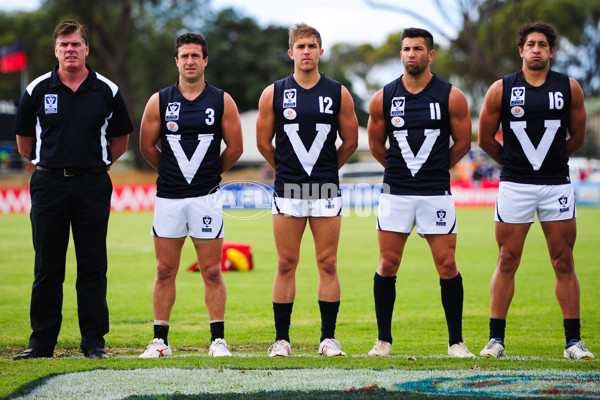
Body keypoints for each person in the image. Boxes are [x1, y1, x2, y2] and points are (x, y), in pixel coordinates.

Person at [12, 20, 133, 360]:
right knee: (47, 266)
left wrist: (96, 163)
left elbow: (120, 140)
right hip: (49, 183)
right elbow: (24, 142)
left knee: (93, 265)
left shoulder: (106, 90)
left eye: (76, 44)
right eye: (64, 45)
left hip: (93, 183)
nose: (70, 50)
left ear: (86, 49)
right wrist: (46, 164)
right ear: (56, 50)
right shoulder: (37, 89)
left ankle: (94, 343)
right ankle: (41, 344)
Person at [477, 22, 594, 360]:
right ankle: (495, 340)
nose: (537, 49)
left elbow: (578, 138)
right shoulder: (501, 89)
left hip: (556, 184)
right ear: (521, 50)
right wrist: (515, 165)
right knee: (507, 259)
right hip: (515, 186)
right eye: (531, 44)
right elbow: (485, 139)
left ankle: (573, 342)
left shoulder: (569, 87)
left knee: (564, 261)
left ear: (552, 51)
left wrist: (551, 163)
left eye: (543, 44)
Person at [367, 27, 473, 358]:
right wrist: (399, 171)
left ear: (430, 55)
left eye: (418, 49)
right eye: (406, 49)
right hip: (395, 192)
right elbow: (374, 144)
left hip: (435, 193)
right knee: (387, 263)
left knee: (447, 264)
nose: (411, 54)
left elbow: (463, 143)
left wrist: (438, 169)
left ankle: (456, 342)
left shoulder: (450, 95)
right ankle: (383, 340)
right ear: (400, 54)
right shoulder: (383, 96)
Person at [256, 23, 358, 357]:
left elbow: (351, 141)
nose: (306, 52)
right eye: (301, 46)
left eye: (312, 46)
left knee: (328, 264)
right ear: (291, 53)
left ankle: (328, 339)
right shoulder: (274, 92)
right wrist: (287, 170)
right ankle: (282, 340)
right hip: (288, 191)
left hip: (326, 190)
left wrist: (328, 170)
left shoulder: (337, 92)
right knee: (286, 263)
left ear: (320, 52)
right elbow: (262, 142)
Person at [139, 32, 243, 358]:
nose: (190, 61)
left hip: (206, 196)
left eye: (195, 55)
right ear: (176, 61)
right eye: (184, 56)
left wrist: (210, 173)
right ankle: (160, 341)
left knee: (211, 270)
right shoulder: (160, 100)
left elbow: (236, 148)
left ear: (205, 60)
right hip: (169, 196)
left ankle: (218, 341)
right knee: (164, 270)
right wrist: (170, 172)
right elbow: (146, 146)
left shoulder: (221, 100)